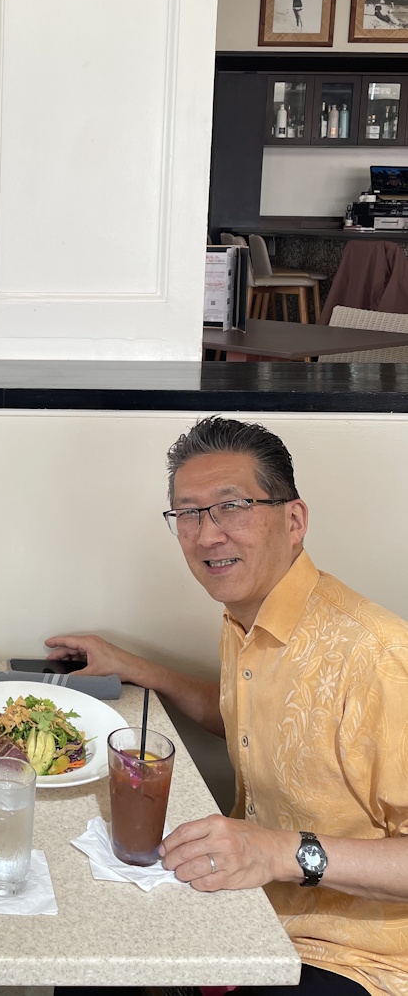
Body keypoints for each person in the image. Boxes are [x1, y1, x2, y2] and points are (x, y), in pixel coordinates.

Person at [47, 417, 408, 996]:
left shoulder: (379, 656)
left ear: (294, 521)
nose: (208, 534)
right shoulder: (246, 619)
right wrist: (136, 667)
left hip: (358, 960)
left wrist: (280, 851)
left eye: (233, 506)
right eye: (188, 513)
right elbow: (251, 723)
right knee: (83, 955)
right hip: (249, 914)